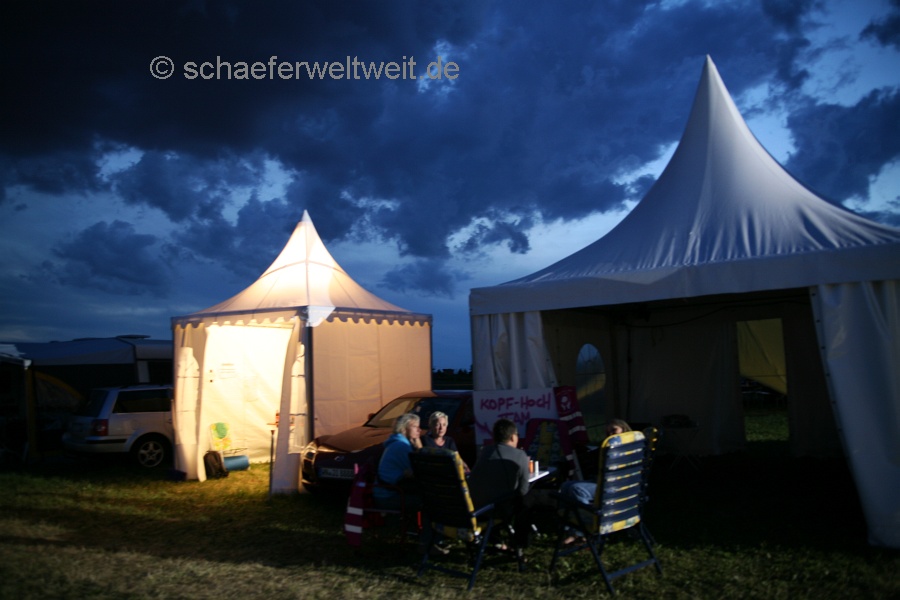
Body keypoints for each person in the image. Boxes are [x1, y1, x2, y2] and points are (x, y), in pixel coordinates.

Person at [468, 418, 552, 559]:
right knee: (526, 499)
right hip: (494, 510)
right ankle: (520, 542)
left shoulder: (485, 451)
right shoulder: (520, 455)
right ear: (513, 437)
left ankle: (496, 539)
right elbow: (523, 490)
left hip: (474, 507)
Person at [559, 418, 633, 543]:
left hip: (614, 487)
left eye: (614, 430)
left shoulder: (624, 449)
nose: (610, 434)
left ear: (624, 429)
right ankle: (571, 529)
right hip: (604, 482)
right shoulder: (619, 447)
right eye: (607, 433)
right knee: (565, 486)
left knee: (576, 489)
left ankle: (587, 529)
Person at [373, 412, 423, 510]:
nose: (419, 430)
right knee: (428, 501)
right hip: (388, 496)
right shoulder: (401, 446)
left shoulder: (397, 443)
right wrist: (419, 449)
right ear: (404, 429)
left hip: (388, 492)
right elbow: (419, 471)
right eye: (415, 426)